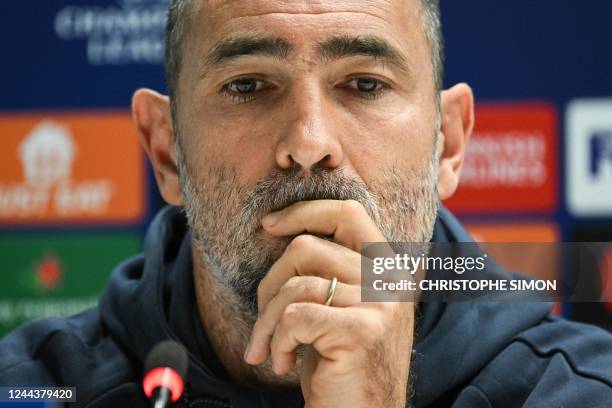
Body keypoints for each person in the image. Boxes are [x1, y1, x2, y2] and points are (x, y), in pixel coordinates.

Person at [1, 0, 611, 406]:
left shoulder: (585, 391)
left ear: (448, 144)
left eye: (365, 84)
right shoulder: (30, 389)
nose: (309, 144)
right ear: (166, 152)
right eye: (248, 86)